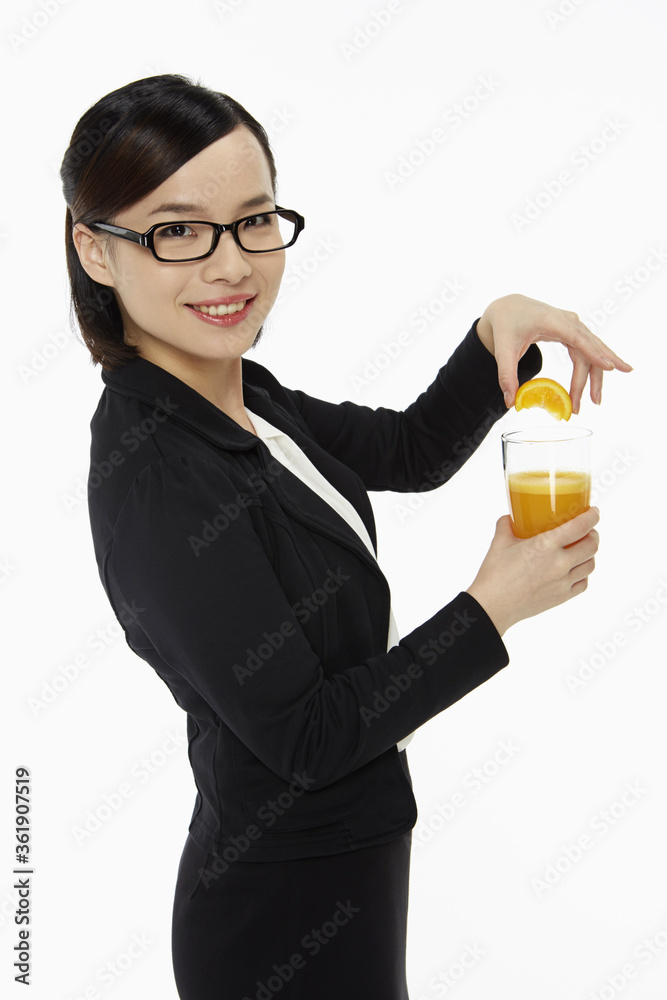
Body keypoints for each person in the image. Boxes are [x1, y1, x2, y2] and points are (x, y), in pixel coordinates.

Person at [60, 74, 631, 1000]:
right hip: (275, 912)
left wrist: (496, 333)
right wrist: (491, 608)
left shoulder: (242, 396)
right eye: (178, 232)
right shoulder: (158, 479)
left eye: (253, 221)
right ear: (96, 250)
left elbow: (408, 450)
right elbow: (307, 738)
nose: (231, 266)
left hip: (350, 865)